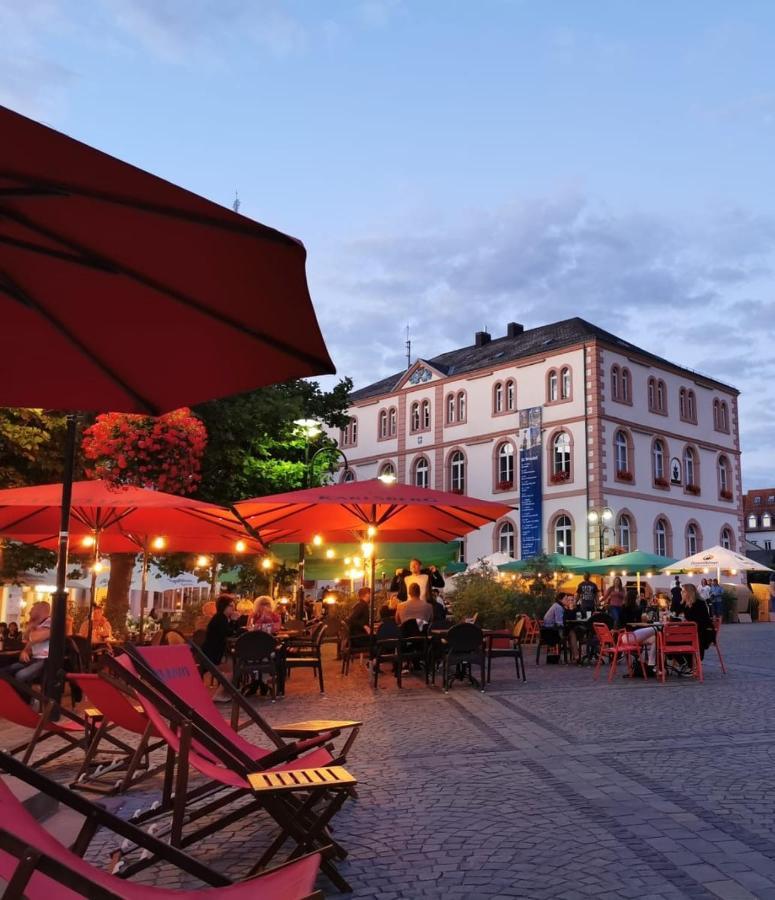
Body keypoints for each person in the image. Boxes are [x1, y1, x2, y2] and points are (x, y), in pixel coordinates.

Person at [201, 594, 238, 702]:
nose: (233, 608)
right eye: (231, 606)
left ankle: (223, 693)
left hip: (213, 651)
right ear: (224, 607)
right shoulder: (220, 618)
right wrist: (234, 621)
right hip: (213, 653)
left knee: (232, 665)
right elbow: (228, 633)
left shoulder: (221, 618)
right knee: (233, 669)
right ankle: (220, 694)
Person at [7, 601, 51, 688]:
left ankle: (27, 699)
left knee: (21, 675)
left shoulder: (50, 622)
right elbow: (27, 639)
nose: (29, 612)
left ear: (40, 610)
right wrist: (25, 650)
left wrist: (31, 627)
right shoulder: (36, 624)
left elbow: (36, 637)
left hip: (45, 661)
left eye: (32, 609)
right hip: (34, 658)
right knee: (6, 671)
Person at [682, 583, 714, 662]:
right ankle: (686, 663)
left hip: (700, 633)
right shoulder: (687, 603)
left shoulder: (699, 603)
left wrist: (685, 620)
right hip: (694, 631)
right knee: (669, 638)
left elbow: (699, 619)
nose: (682, 593)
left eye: (683, 591)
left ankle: (687, 663)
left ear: (689, 592)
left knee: (670, 640)